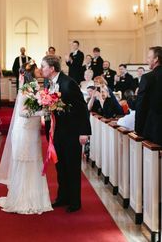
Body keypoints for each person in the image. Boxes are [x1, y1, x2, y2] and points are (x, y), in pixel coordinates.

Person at [0, 61, 53, 214]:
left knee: (35, 161)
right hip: (25, 130)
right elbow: (22, 112)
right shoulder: (26, 89)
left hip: (33, 130)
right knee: (26, 160)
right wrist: (41, 113)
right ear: (31, 72)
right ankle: (23, 198)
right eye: (37, 69)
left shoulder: (34, 86)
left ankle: (36, 197)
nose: (39, 70)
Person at [41, 55, 91, 213]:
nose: (41, 69)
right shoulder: (50, 83)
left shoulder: (68, 83)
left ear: (52, 68)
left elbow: (82, 108)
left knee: (72, 167)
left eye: (43, 66)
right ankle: (63, 197)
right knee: (60, 167)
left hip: (72, 132)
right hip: (57, 132)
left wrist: (84, 132)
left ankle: (75, 201)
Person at [135, 46, 162, 145]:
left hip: (153, 129)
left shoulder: (147, 77)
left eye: (149, 57)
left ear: (156, 59)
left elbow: (141, 105)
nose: (147, 60)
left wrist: (138, 129)